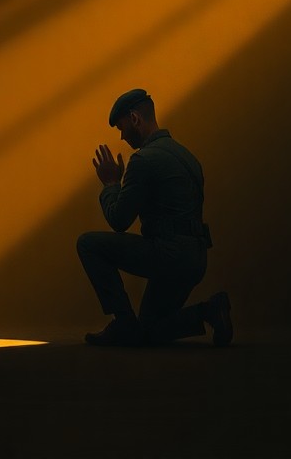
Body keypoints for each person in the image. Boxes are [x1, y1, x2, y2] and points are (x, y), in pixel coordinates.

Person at [76, 88, 233, 347]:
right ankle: (210, 311)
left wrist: (111, 183)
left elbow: (118, 220)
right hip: (195, 258)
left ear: (135, 119)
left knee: (87, 244)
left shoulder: (143, 160)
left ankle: (123, 323)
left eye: (122, 128)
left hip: (168, 255)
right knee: (148, 331)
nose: (123, 136)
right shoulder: (188, 157)